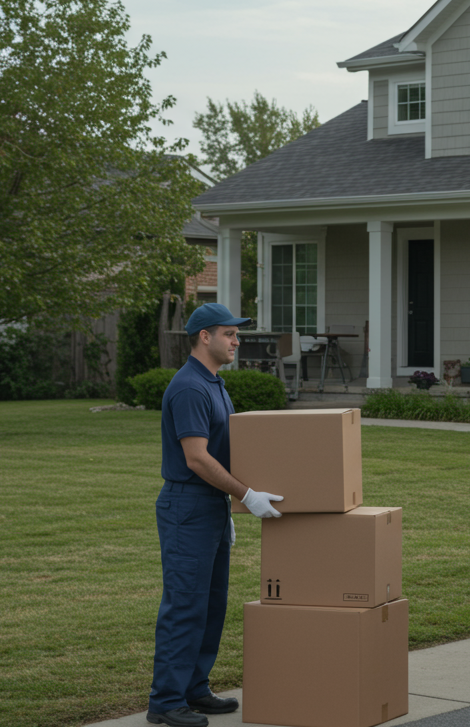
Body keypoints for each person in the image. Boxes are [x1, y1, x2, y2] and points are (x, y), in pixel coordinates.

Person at [147, 304, 286, 727]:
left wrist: (228, 505)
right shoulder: (190, 387)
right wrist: (247, 495)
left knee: (210, 604)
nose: (236, 341)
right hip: (188, 505)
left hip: (208, 505)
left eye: (236, 334)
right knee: (185, 604)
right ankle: (165, 702)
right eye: (229, 334)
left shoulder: (213, 383)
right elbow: (196, 459)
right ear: (204, 336)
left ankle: (194, 688)